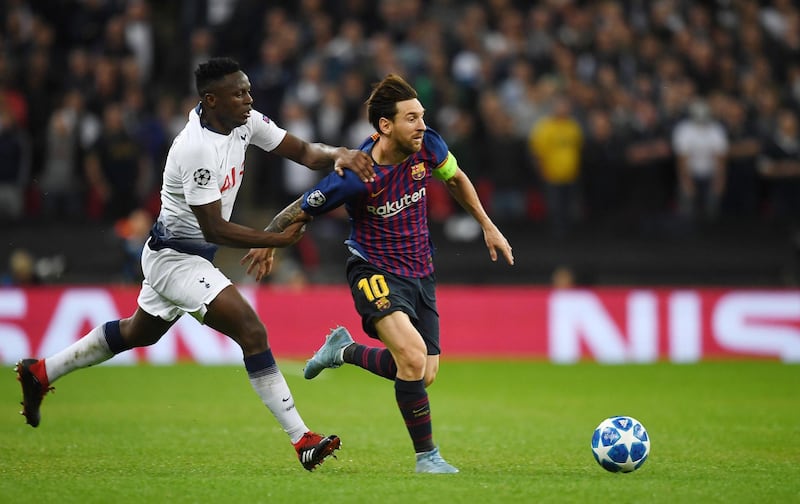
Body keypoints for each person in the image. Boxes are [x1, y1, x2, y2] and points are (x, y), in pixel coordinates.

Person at [15, 57, 375, 471]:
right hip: (176, 258)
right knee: (252, 330)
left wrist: (339, 155)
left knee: (138, 332)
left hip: (182, 254)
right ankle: (302, 439)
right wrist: (276, 238)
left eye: (248, 90)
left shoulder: (244, 121)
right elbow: (215, 228)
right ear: (211, 99)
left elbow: (306, 151)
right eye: (239, 93)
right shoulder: (195, 148)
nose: (248, 99)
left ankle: (41, 371)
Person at [253, 74, 514, 473]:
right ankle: (428, 458)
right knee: (410, 358)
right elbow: (302, 208)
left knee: (423, 373)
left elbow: (456, 179)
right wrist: (268, 240)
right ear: (385, 125)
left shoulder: (428, 145)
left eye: (422, 116)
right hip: (372, 269)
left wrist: (487, 224)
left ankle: (341, 350)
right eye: (412, 118)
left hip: (420, 270)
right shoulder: (356, 176)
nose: (422, 125)